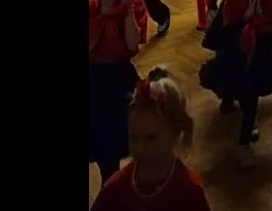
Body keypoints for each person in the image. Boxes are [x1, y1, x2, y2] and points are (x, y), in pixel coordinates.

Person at [198, 0, 272, 169]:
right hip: (236, 58)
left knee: (251, 99)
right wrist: (246, 18)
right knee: (243, 94)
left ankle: (244, 140)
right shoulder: (232, 1)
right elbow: (228, 36)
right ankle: (241, 137)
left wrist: (268, 20)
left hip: (257, 56)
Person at [90, 68, 211, 210]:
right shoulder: (115, 188)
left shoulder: (190, 191)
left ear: (176, 132)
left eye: (150, 138)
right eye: (134, 138)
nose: (140, 148)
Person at [89, 0, 147, 185]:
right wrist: (102, 14)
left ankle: (111, 186)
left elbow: (133, 46)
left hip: (120, 75)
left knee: (117, 138)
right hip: (92, 78)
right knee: (98, 137)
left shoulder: (136, 5)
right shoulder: (92, 6)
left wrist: (128, 11)